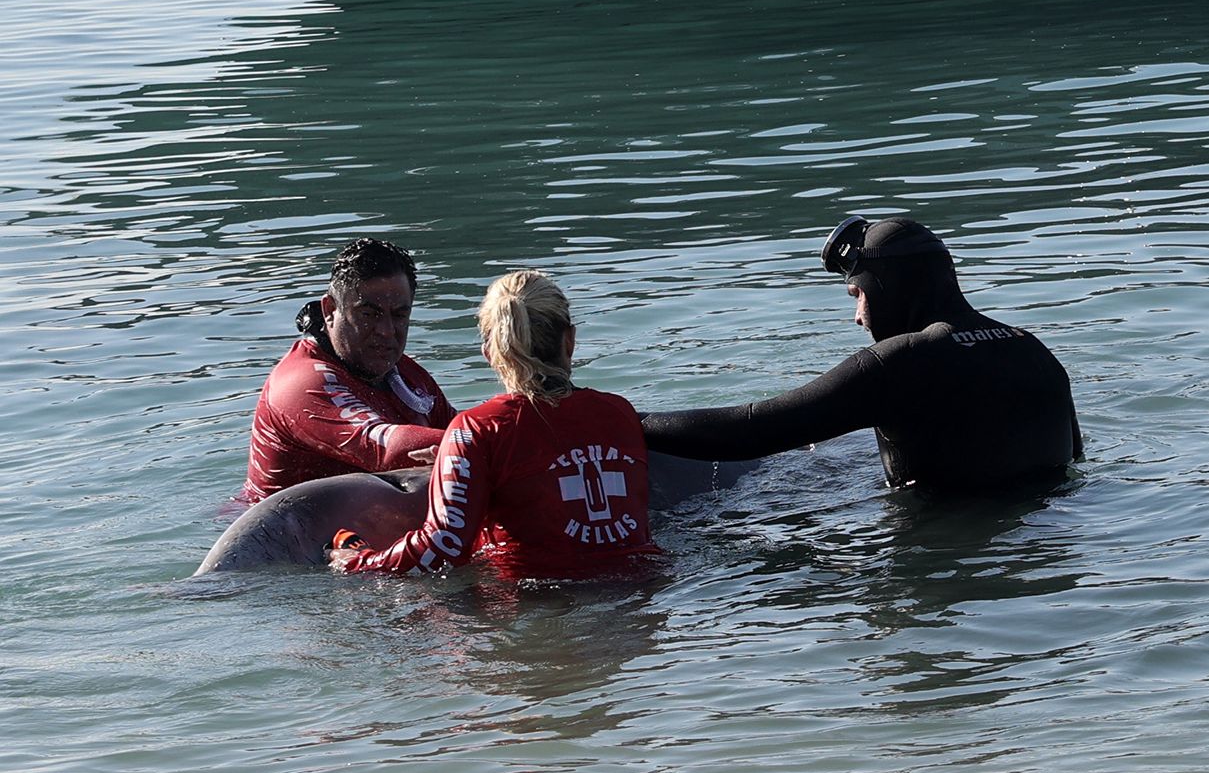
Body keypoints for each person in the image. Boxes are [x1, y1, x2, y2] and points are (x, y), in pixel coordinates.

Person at [641, 216, 1083, 491]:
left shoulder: (902, 361)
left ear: (884, 287)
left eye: (858, 294)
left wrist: (627, 419)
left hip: (946, 560)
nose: (858, 316)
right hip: (1050, 541)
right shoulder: (1032, 348)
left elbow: (755, 429)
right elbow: (1075, 460)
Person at [330, 270, 660, 577]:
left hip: (536, 609)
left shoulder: (478, 430)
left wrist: (358, 561)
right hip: (641, 592)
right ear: (570, 341)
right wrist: (464, 460)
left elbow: (442, 549)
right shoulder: (619, 413)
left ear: (489, 352)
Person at [243, 238, 455, 503]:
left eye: (399, 315)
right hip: (276, 537)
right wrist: (503, 442)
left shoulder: (406, 376)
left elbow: (463, 427)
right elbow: (385, 449)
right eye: (369, 314)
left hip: (362, 530)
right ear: (330, 310)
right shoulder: (300, 383)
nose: (386, 331)